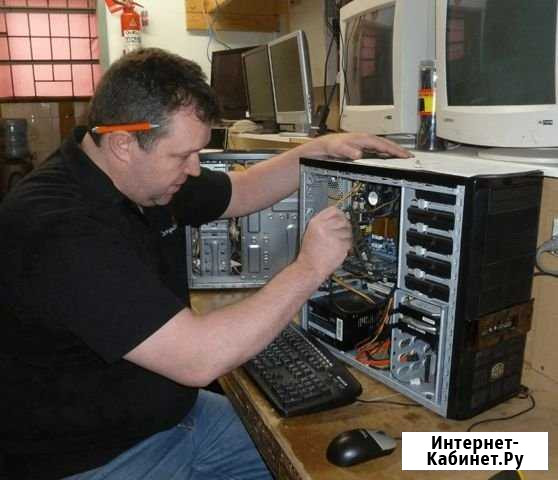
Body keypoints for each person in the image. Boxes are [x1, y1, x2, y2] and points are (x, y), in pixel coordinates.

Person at [0, 48, 410, 479]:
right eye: (183, 156)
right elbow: (198, 357)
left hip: (175, 420)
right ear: (122, 143)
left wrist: (321, 149)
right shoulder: (55, 226)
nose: (194, 170)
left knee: (349, 460)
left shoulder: (142, 177)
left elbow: (242, 190)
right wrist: (309, 267)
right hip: (95, 461)